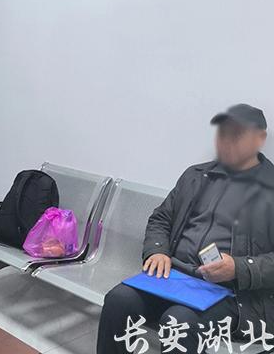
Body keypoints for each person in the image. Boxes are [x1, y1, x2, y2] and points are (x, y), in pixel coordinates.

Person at [98, 103, 274, 353]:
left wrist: (238, 268)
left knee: (179, 320)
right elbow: (161, 218)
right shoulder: (196, 176)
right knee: (118, 300)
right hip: (174, 277)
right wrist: (157, 251)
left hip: (233, 294)